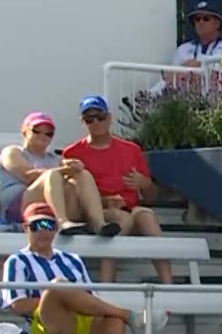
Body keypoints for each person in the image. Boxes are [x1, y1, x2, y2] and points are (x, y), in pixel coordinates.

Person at [0, 202, 164, 334]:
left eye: (48, 225)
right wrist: (61, 298)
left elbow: (90, 297)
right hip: (45, 323)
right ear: (26, 228)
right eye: (36, 226)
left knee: (114, 322)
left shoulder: (72, 259)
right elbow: (17, 305)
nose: (43, 231)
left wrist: (72, 299)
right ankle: (129, 315)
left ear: (55, 229)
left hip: (80, 318)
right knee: (57, 286)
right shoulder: (17, 261)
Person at [61, 96, 172, 284]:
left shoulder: (132, 150)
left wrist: (144, 183)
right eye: (89, 119)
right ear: (83, 122)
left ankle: (169, 285)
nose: (96, 122)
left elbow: (151, 197)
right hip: (95, 213)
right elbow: (72, 195)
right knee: (121, 219)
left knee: (147, 217)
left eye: (100, 117)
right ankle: (107, 284)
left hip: (129, 207)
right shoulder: (73, 153)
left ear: (109, 117)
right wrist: (105, 201)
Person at [0, 112, 118, 235]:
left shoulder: (55, 159)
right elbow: (27, 176)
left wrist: (75, 168)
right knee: (51, 175)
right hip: (19, 208)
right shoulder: (13, 152)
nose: (43, 136)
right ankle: (62, 222)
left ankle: (98, 224)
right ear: (25, 132)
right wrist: (64, 170)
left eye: (49, 133)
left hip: (49, 207)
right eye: (37, 131)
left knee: (83, 174)